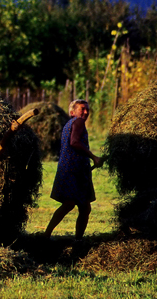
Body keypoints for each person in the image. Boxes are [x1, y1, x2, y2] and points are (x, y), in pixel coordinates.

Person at [44, 99, 104, 240]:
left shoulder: (68, 124)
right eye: (82, 109)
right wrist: (94, 157)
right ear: (72, 112)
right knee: (72, 205)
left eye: (87, 109)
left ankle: (74, 239)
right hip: (74, 170)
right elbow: (74, 142)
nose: (86, 112)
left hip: (72, 169)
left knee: (81, 207)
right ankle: (50, 236)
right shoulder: (78, 122)